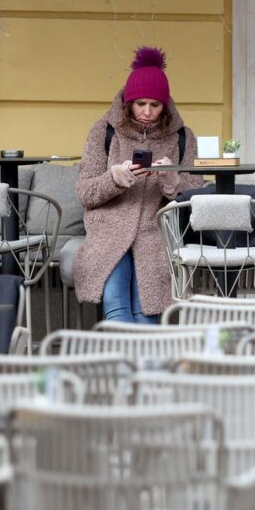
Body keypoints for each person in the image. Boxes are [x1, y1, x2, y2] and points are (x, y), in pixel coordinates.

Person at [74, 46, 199, 323]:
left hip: (157, 236)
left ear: (165, 106)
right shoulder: (104, 131)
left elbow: (195, 197)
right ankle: (128, 365)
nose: (147, 112)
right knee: (115, 304)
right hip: (108, 233)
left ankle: (145, 365)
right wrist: (115, 178)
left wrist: (172, 181)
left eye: (155, 105)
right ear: (127, 102)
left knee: (148, 311)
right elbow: (85, 193)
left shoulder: (183, 137)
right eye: (140, 103)